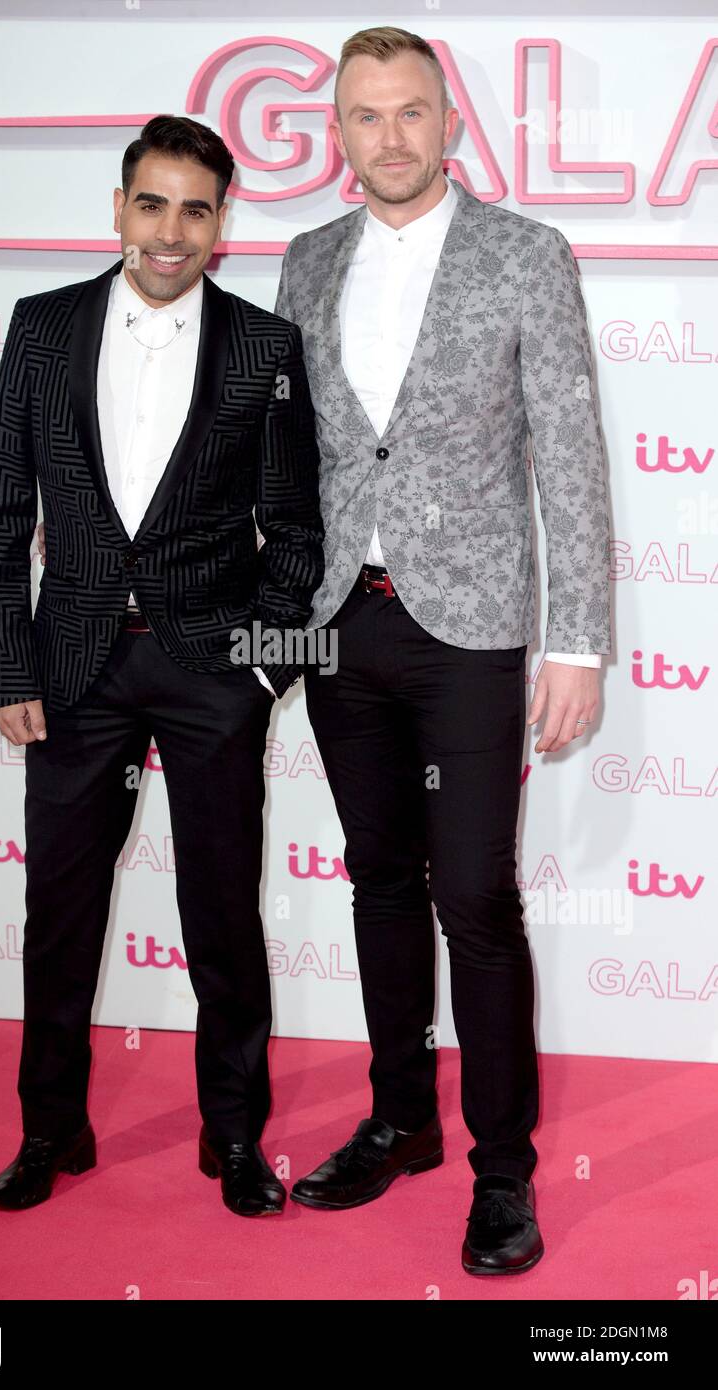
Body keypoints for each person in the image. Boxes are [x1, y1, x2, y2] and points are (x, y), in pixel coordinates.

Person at [274, 27, 611, 1273]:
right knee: (376, 881)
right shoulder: (304, 262)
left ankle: (504, 1171)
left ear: (447, 120)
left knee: (472, 893)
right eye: (366, 116)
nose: (391, 137)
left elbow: (568, 453)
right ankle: (400, 1118)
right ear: (342, 133)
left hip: (471, 627)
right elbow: (290, 456)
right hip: (336, 624)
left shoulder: (525, 253)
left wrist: (576, 641)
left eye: (411, 111)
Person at [0, 115, 324, 1217]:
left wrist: (261, 674)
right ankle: (48, 1132)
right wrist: (4, 667)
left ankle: (234, 1137)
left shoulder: (266, 349)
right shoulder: (40, 328)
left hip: (209, 671)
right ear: (118, 208)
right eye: (152, 203)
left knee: (222, 915)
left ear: (224, 223)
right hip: (72, 671)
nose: (171, 232)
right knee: (57, 914)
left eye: (196, 209)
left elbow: (297, 533)